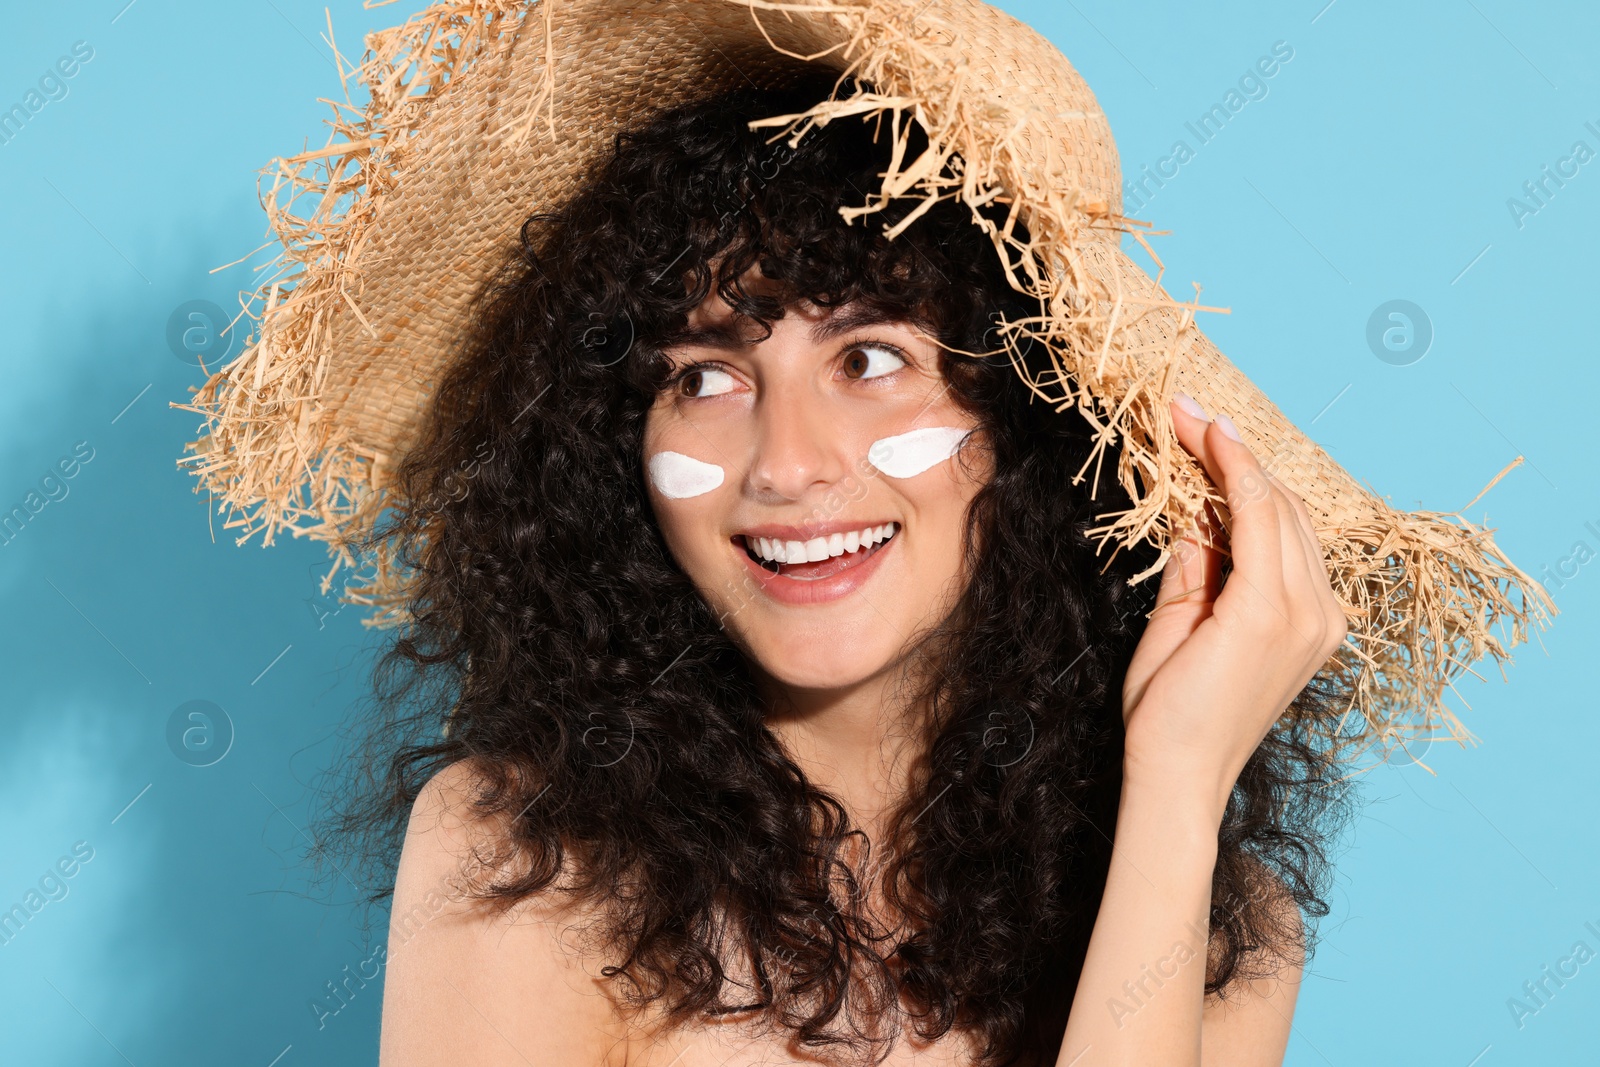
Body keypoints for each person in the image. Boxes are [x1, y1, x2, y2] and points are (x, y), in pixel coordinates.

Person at [343, 73, 1351, 1067]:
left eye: (867, 360)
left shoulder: (1222, 926)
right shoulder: (527, 856)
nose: (784, 463)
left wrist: (1177, 784)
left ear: (1028, 417)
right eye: (704, 376)